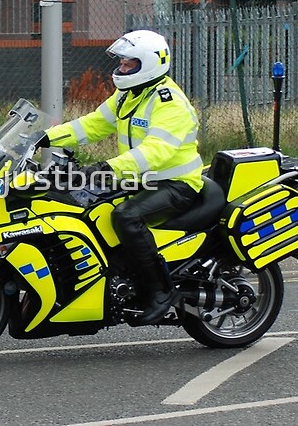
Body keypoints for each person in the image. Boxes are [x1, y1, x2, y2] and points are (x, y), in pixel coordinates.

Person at [38, 29, 204, 325]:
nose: (122, 69)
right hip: (143, 179)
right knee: (88, 205)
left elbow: (155, 152)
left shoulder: (170, 103)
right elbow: (94, 124)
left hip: (176, 185)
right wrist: (45, 137)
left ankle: (160, 292)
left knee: (126, 216)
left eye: (130, 64)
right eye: (122, 63)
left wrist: (107, 169)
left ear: (150, 64)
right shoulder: (130, 95)